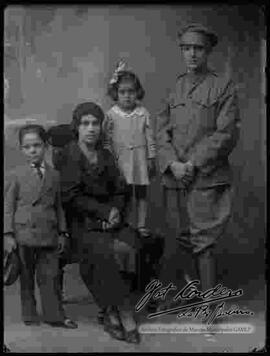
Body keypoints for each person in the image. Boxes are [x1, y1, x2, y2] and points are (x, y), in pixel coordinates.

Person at [156, 24, 240, 305]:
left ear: (208, 51)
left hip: (205, 176)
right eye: (187, 49)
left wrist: (192, 163)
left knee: (203, 240)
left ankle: (210, 304)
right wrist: (171, 163)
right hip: (175, 178)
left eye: (198, 49)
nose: (192, 54)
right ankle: (187, 295)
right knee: (179, 237)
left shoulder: (223, 86)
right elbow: (161, 131)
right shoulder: (174, 86)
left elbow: (226, 133)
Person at [55, 101, 140, 344]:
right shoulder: (68, 155)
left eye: (95, 123)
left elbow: (121, 190)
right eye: (85, 123)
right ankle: (121, 311)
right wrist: (103, 212)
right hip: (81, 223)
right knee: (101, 250)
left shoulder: (105, 155)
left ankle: (110, 310)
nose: (90, 128)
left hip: (109, 219)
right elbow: (71, 197)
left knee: (134, 244)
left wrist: (115, 212)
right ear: (77, 127)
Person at [4, 124, 77, 329]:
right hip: (23, 233)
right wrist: (7, 234)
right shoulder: (15, 175)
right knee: (26, 277)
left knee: (50, 276)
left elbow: (59, 207)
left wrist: (63, 232)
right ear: (21, 149)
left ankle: (54, 315)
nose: (32, 150)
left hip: (49, 233)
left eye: (36, 145)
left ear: (45, 146)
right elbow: (8, 207)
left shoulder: (54, 175)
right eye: (27, 147)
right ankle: (29, 314)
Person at [103, 61, 156, 237]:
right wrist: (110, 159)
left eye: (131, 92)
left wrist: (151, 157)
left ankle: (141, 224)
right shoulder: (111, 115)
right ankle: (124, 222)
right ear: (116, 94)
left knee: (141, 192)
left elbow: (150, 137)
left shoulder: (143, 113)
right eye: (122, 92)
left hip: (139, 157)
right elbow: (107, 139)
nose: (127, 96)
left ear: (137, 92)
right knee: (122, 192)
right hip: (121, 158)